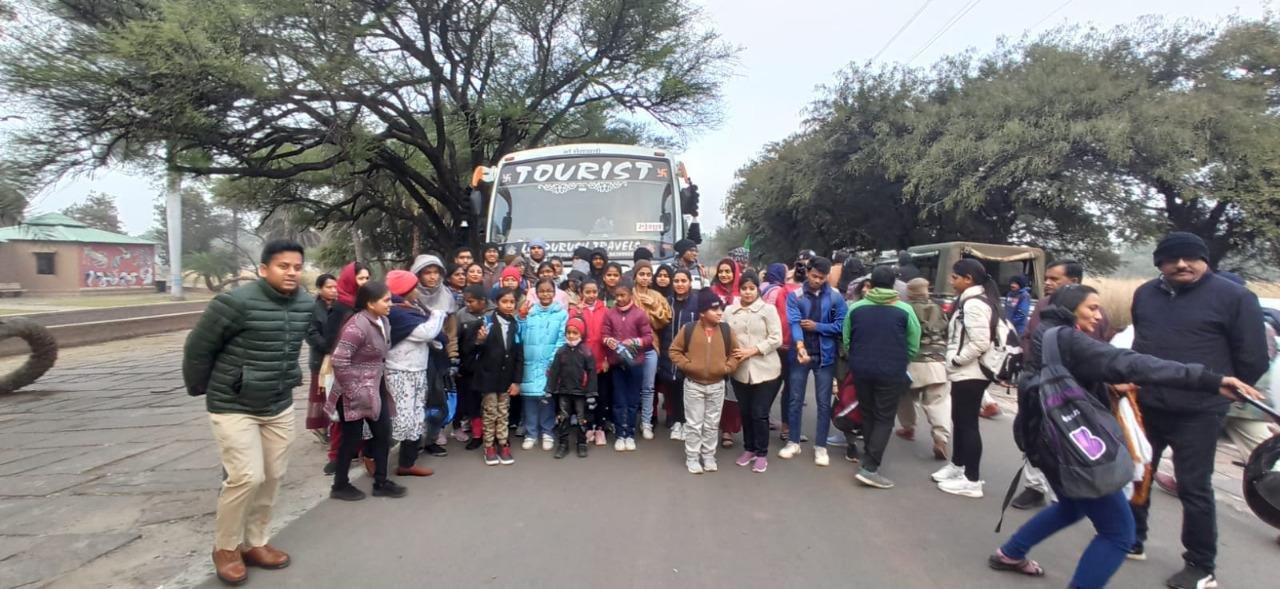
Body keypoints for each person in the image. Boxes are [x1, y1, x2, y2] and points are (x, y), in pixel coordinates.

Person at [988, 284, 1263, 589]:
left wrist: (1107, 384)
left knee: (1072, 507)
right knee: (1119, 534)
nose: (1099, 315)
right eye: (1092, 308)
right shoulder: (1069, 339)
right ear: (1070, 308)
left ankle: (1010, 554)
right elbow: (1132, 363)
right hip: (1077, 451)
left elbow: (1075, 376)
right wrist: (1209, 379)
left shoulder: (1045, 333)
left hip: (1048, 444)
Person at [1127, 232, 1268, 588]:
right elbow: (1141, 343)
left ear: (1204, 260)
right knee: (1138, 473)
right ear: (1159, 263)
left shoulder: (1235, 297)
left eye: (1190, 258)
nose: (1181, 264)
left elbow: (1253, 358)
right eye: (1171, 259)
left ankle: (1201, 565)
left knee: (1194, 487)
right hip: (1148, 403)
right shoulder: (1145, 294)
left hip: (1200, 410)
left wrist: (1223, 394)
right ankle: (1132, 537)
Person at [183, 239, 313, 585]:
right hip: (233, 404)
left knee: (272, 475)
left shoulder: (305, 303)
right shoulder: (234, 302)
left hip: (278, 403)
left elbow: (319, 337)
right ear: (264, 269)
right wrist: (203, 388)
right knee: (246, 476)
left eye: (297, 267)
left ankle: (255, 542)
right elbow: (198, 348)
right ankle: (226, 548)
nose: (291, 272)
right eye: (283, 266)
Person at [1014, 259, 1112, 510]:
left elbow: (1099, 352)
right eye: (1046, 277)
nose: (1047, 283)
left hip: (1072, 392)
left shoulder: (1092, 314)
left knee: (1067, 441)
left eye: (1054, 279)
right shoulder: (1043, 305)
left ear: (1073, 282)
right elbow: (1029, 336)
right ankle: (1035, 487)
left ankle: (1067, 493)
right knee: (1036, 435)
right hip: (1038, 385)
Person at [326, 280, 408, 501]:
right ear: (371, 303)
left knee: (383, 434)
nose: (391, 304)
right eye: (386, 300)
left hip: (375, 385)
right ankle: (339, 485)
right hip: (352, 392)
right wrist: (353, 391)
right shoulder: (357, 326)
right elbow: (339, 360)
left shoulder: (383, 320)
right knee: (351, 439)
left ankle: (381, 482)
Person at [842, 266, 921, 489]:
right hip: (892, 370)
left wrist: (856, 357)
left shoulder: (856, 307)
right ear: (893, 284)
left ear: (871, 284)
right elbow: (913, 344)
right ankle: (870, 467)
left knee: (867, 413)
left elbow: (847, 340)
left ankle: (869, 455)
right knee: (884, 417)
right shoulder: (904, 309)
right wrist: (901, 360)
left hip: (861, 368)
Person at [933, 258, 1001, 499]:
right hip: (967, 372)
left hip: (971, 372)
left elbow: (980, 342)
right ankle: (957, 465)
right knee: (960, 420)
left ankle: (972, 480)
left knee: (968, 424)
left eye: (955, 277)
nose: (951, 282)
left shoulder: (973, 304)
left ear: (968, 279)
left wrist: (956, 360)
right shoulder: (973, 300)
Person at [780, 256, 848, 466]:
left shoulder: (835, 297)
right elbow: (794, 322)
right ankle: (793, 441)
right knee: (795, 399)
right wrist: (800, 346)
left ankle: (821, 446)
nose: (817, 280)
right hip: (800, 353)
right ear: (808, 272)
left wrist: (818, 326)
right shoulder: (796, 295)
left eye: (822, 277)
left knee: (823, 402)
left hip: (824, 355)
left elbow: (841, 325)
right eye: (814, 276)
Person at [669, 289, 741, 473]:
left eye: (720, 309)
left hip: (717, 385)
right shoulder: (689, 329)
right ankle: (692, 457)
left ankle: (708, 456)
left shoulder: (726, 330)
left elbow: (736, 353)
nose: (719, 313)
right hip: (693, 385)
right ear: (702, 312)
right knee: (694, 424)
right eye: (714, 309)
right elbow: (674, 351)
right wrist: (688, 366)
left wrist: (727, 368)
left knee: (711, 424)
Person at [383, 270, 446, 477]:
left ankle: (407, 464)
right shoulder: (396, 312)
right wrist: (437, 315)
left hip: (417, 371)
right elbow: (425, 332)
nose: (417, 291)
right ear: (405, 290)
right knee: (400, 419)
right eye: (414, 287)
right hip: (399, 372)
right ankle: (372, 456)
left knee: (416, 418)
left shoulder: (410, 309)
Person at [725, 272, 784, 473]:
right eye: (744, 288)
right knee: (745, 411)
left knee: (759, 413)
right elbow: (723, 335)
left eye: (752, 288)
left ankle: (761, 453)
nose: (748, 292)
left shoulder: (768, 310)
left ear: (758, 289)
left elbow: (776, 338)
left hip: (766, 370)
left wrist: (753, 350)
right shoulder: (730, 311)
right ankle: (749, 449)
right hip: (740, 371)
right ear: (739, 290)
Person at [320, 262, 372, 475]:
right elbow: (330, 341)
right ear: (351, 280)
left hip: (366, 367)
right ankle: (336, 456)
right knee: (342, 413)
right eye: (361, 278)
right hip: (344, 367)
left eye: (368, 278)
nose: (365, 283)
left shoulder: (367, 304)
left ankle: (359, 450)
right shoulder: (341, 307)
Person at [462, 288, 524, 466]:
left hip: (506, 379)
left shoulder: (515, 324)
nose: (509, 305)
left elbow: (519, 355)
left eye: (512, 302)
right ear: (497, 303)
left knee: (503, 412)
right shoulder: (485, 322)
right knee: (490, 413)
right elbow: (468, 350)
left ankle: (503, 443)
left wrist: (516, 381)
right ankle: (489, 446)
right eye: (505, 302)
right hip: (488, 377)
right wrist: (479, 341)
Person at [896, 278, 952, 461]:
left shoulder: (904, 309)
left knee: (904, 397)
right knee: (938, 401)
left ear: (910, 292)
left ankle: (908, 427)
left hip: (912, 361)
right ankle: (940, 439)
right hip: (938, 361)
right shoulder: (938, 308)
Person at [410, 254, 459, 457]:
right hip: (414, 355)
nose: (432, 277)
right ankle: (412, 443)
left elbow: (451, 330)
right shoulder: (411, 296)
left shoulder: (446, 295)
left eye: (436, 272)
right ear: (418, 275)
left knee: (437, 399)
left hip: (439, 355)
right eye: (427, 273)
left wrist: (453, 354)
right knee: (415, 400)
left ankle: (431, 439)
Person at [602, 278, 654, 451]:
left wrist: (634, 341)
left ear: (631, 295)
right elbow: (604, 333)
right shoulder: (610, 313)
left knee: (632, 401)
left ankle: (630, 434)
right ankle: (619, 434)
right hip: (617, 363)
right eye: (616, 295)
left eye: (623, 295)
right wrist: (608, 341)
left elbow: (648, 337)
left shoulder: (639, 314)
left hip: (635, 363)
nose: (619, 299)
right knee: (618, 401)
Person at [517, 278, 568, 452]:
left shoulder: (561, 314)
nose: (545, 294)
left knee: (547, 399)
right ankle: (531, 433)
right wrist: (521, 318)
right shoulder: (529, 312)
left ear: (554, 293)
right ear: (536, 293)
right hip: (529, 362)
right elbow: (519, 335)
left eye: (549, 291)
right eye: (542, 291)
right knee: (529, 398)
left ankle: (547, 432)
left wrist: (553, 361)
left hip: (549, 364)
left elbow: (561, 339)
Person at [547, 317, 598, 458]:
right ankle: (563, 444)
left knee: (582, 418)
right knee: (563, 417)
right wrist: (549, 389)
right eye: (568, 332)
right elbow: (554, 371)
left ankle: (581, 443)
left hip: (580, 392)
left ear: (581, 334)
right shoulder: (561, 351)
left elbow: (592, 373)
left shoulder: (586, 352)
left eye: (575, 333)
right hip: (564, 390)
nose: (571, 335)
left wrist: (591, 393)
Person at [632, 260, 672, 439]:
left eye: (648, 274)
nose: (645, 278)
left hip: (651, 347)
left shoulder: (657, 296)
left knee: (648, 387)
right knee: (632, 387)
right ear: (635, 276)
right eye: (641, 274)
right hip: (631, 347)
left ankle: (646, 422)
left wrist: (653, 306)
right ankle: (628, 422)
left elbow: (664, 321)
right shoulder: (628, 295)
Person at [762, 262, 802, 443]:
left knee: (770, 386)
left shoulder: (773, 291)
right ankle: (786, 427)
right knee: (790, 389)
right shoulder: (803, 294)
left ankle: (762, 422)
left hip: (776, 346)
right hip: (794, 346)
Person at [659, 269, 699, 440]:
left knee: (688, 390)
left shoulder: (697, 302)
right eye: (676, 281)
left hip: (690, 354)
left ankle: (686, 423)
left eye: (683, 281)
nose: (680, 284)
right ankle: (676, 422)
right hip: (668, 353)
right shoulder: (666, 302)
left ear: (690, 282)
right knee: (672, 389)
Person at [450, 286, 489, 451]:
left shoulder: (492, 315)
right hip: (468, 367)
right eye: (466, 301)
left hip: (489, 367)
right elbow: (457, 341)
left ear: (483, 301)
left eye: (471, 301)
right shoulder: (461, 316)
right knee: (472, 403)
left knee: (489, 403)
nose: (467, 304)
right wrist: (457, 364)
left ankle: (493, 434)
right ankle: (477, 435)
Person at [710, 258, 744, 447]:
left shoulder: (743, 292)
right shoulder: (712, 292)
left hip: (737, 348)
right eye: (721, 271)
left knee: (732, 391)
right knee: (715, 389)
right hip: (715, 346)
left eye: (728, 271)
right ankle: (711, 428)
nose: (724, 275)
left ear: (735, 272)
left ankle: (728, 430)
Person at [576, 279, 612, 445]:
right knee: (586, 398)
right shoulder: (576, 311)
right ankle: (588, 427)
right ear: (581, 293)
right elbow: (572, 333)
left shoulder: (605, 310)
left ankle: (600, 428)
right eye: (587, 292)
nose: (591, 295)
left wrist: (606, 359)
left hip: (600, 361)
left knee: (602, 396)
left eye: (594, 292)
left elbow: (609, 336)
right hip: (582, 363)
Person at [305, 273, 337, 441]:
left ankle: (334, 426)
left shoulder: (339, 307)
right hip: (321, 359)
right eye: (329, 287)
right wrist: (328, 347)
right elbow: (311, 333)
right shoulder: (313, 308)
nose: (333, 290)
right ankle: (320, 428)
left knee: (334, 393)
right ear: (320, 289)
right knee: (320, 394)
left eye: (335, 287)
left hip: (337, 357)